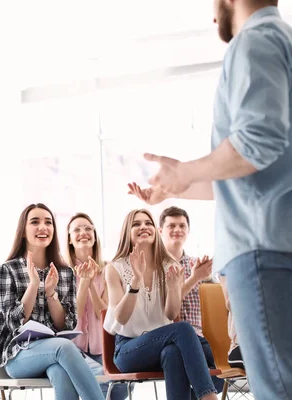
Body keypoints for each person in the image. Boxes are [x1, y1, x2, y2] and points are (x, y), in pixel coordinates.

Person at [128, 1, 292, 397]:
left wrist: (187, 171)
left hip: (260, 249)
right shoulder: (281, 42)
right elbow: (254, 168)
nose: (213, 14)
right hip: (276, 239)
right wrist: (181, 184)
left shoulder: (253, 42)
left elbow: (258, 143)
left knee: (277, 388)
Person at [0, 203, 104, 400]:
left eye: (48, 222)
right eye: (35, 222)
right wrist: (33, 285)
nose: (43, 227)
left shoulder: (64, 272)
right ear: (23, 231)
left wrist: (51, 294)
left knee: (60, 371)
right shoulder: (5, 270)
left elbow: (66, 324)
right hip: (18, 356)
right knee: (64, 347)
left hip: (54, 353)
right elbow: (14, 323)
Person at [104, 209, 218, 400]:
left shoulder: (168, 265)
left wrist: (174, 288)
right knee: (182, 329)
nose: (144, 227)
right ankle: (208, 397)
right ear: (127, 232)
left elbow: (171, 312)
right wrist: (135, 281)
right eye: (136, 224)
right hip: (128, 350)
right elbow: (121, 317)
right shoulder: (114, 268)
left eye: (148, 223)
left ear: (155, 230)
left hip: (162, 345)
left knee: (173, 352)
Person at [158, 206, 224, 394]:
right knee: (172, 354)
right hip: (168, 337)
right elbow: (165, 307)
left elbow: (218, 298)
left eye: (182, 225)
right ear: (161, 231)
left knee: (220, 367)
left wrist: (208, 276)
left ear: (188, 231)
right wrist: (194, 278)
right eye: (171, 225)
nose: (177, 229)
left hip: (200, 337)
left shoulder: (197, 263)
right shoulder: (154, 267)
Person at [65, 212, 128, 400]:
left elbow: (105, 315)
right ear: (69, 239)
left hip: (103, 348)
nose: (83, 232)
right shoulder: (63, 271)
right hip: (74, 350)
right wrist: (83, 282)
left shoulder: (109, 269)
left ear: (95, 236)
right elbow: (72, 315)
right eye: (76, 229)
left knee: (122, 387)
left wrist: (91, 283)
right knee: (103, 383)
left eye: (88, 228)